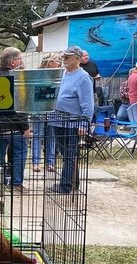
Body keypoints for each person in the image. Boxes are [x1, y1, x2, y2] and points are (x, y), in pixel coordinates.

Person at [48, 46, 94, 194]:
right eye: (64, 57)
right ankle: (73, 182)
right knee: (65, 154)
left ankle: (65, 186)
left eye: (68, 57)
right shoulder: (63, 74)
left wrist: (83, 124)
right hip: (57, 120)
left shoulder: (83, 77)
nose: (64, 59)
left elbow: (87, 104)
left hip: (72, 122)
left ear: (77, 59)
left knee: (70, 155)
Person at [0, 47, 31, 194]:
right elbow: (21, 105)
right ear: (13, 62)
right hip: (15, 127)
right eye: (19, 58)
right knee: (19, 155)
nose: (22, 61)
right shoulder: (17, 79)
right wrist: (25, 126)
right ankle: (16, 183)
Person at [31, 53, 60, 172]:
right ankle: (36, 162)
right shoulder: (38, 74)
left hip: (53, 110)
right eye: (57, 60)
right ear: (50, 62)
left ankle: (50, 163)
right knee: (37, 135)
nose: (60, 63)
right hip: (39, 109)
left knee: (51, 136)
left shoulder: (59, 74)